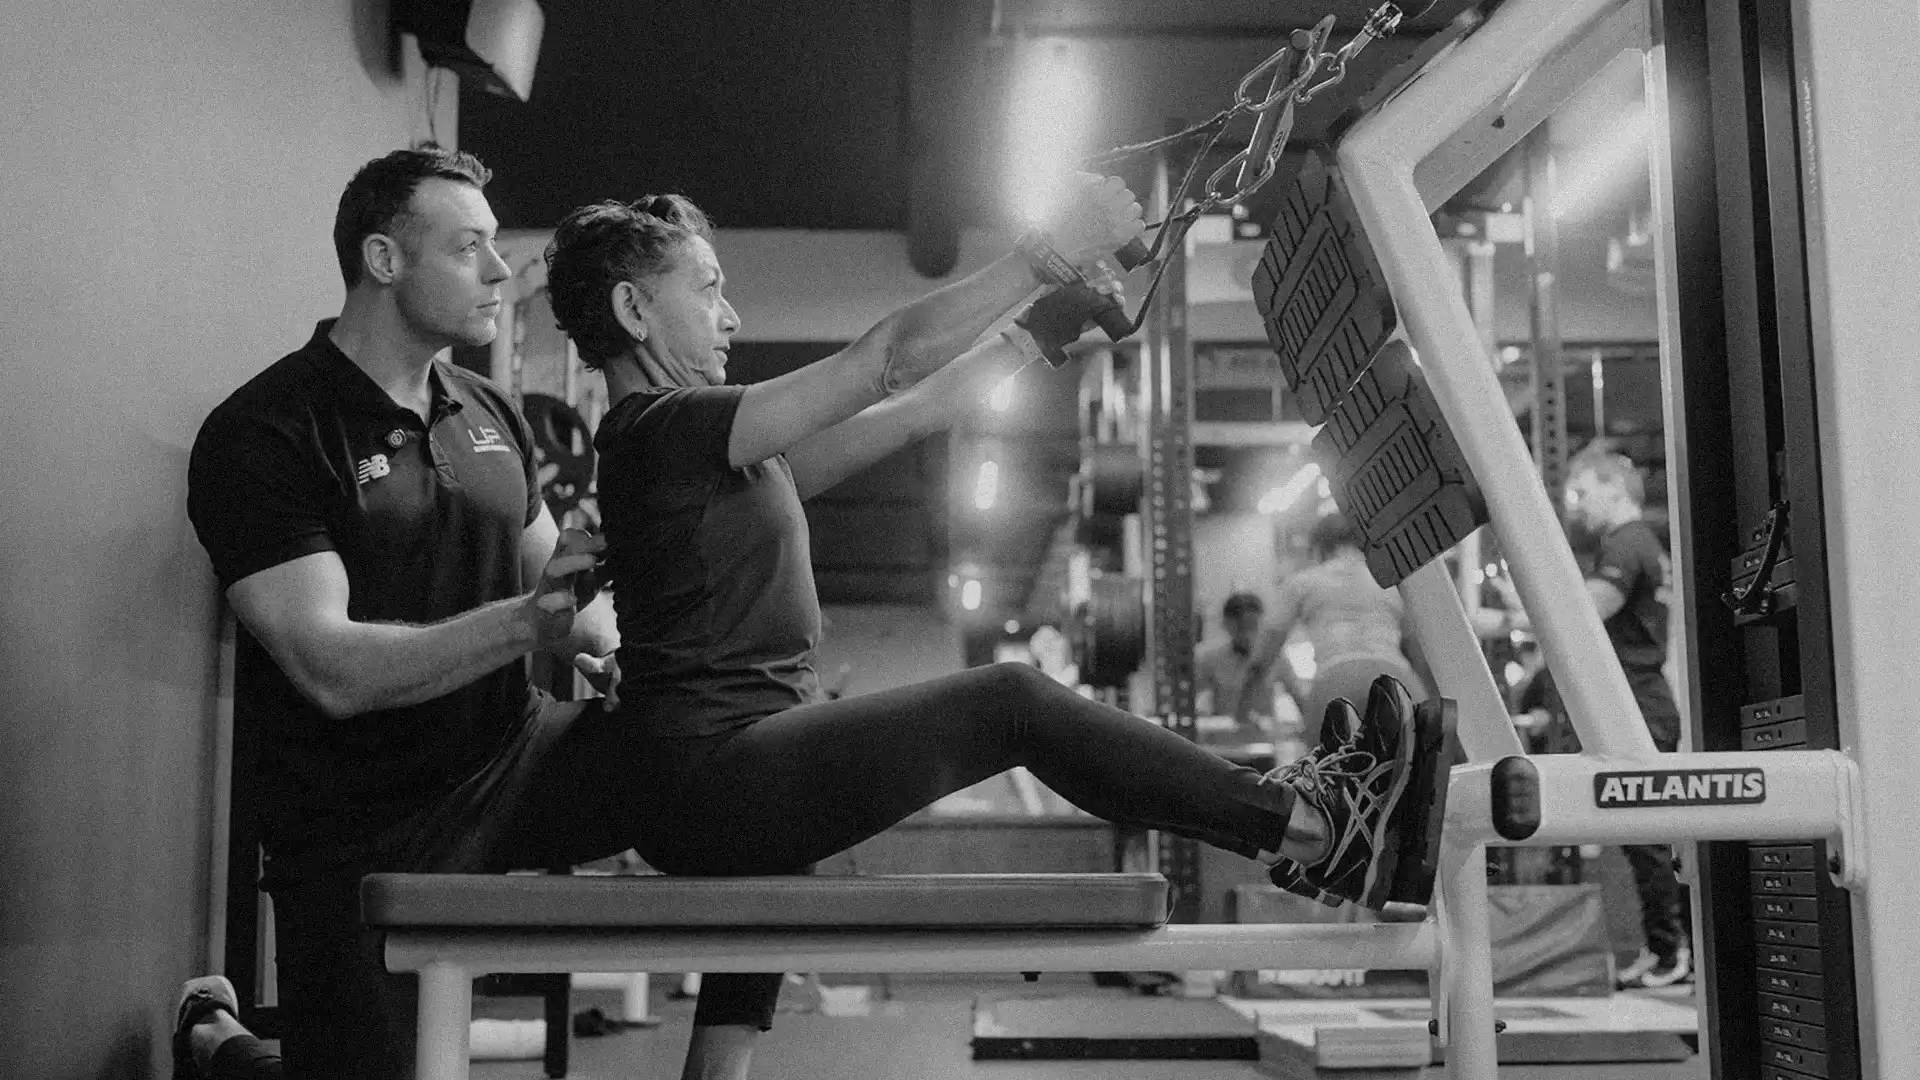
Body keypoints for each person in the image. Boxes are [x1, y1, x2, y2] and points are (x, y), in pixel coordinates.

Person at [533, 190, 1456, 1080]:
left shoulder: (725, 455)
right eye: (707, 290)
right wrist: (1036, 254)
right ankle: (1318, 832)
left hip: (743, 761)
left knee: (744, 983)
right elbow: (887, 357)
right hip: (713, 774)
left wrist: (1046, 326)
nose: (731, 316)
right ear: (634, 311)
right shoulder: (661, 427)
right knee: (1011, 702)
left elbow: (915, 410)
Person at [1488, 450, 1691, 989]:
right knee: (1637, 830)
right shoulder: (1637, 544)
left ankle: (1673, 953)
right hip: (1638, 701)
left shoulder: (1628, 543)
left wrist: (1512, 616)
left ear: (1613, 487)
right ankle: (1663, 948)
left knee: (1646, 832)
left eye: (1582, 493)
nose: (1578, 507)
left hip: (1639, 705)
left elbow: (1584, 615)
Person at [1238, 512, 1433, 731]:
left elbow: (1263, 654)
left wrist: (1242, 707)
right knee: (1414, 763)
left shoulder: (1303, 582)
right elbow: (1420, 656)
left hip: (1336, 679)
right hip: (1398, 678)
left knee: (1328, 764)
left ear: (1318, 546)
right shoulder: (1392, 582)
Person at [1195, 592, 1287, 729]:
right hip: (1223, 736)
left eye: (1255, 627)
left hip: (1264, 738)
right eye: (1244, 628)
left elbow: (1301, 698)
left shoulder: (1274, 655)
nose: (1250, 635)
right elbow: (1199, 703)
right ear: (1227, 625)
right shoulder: (1208, 657)